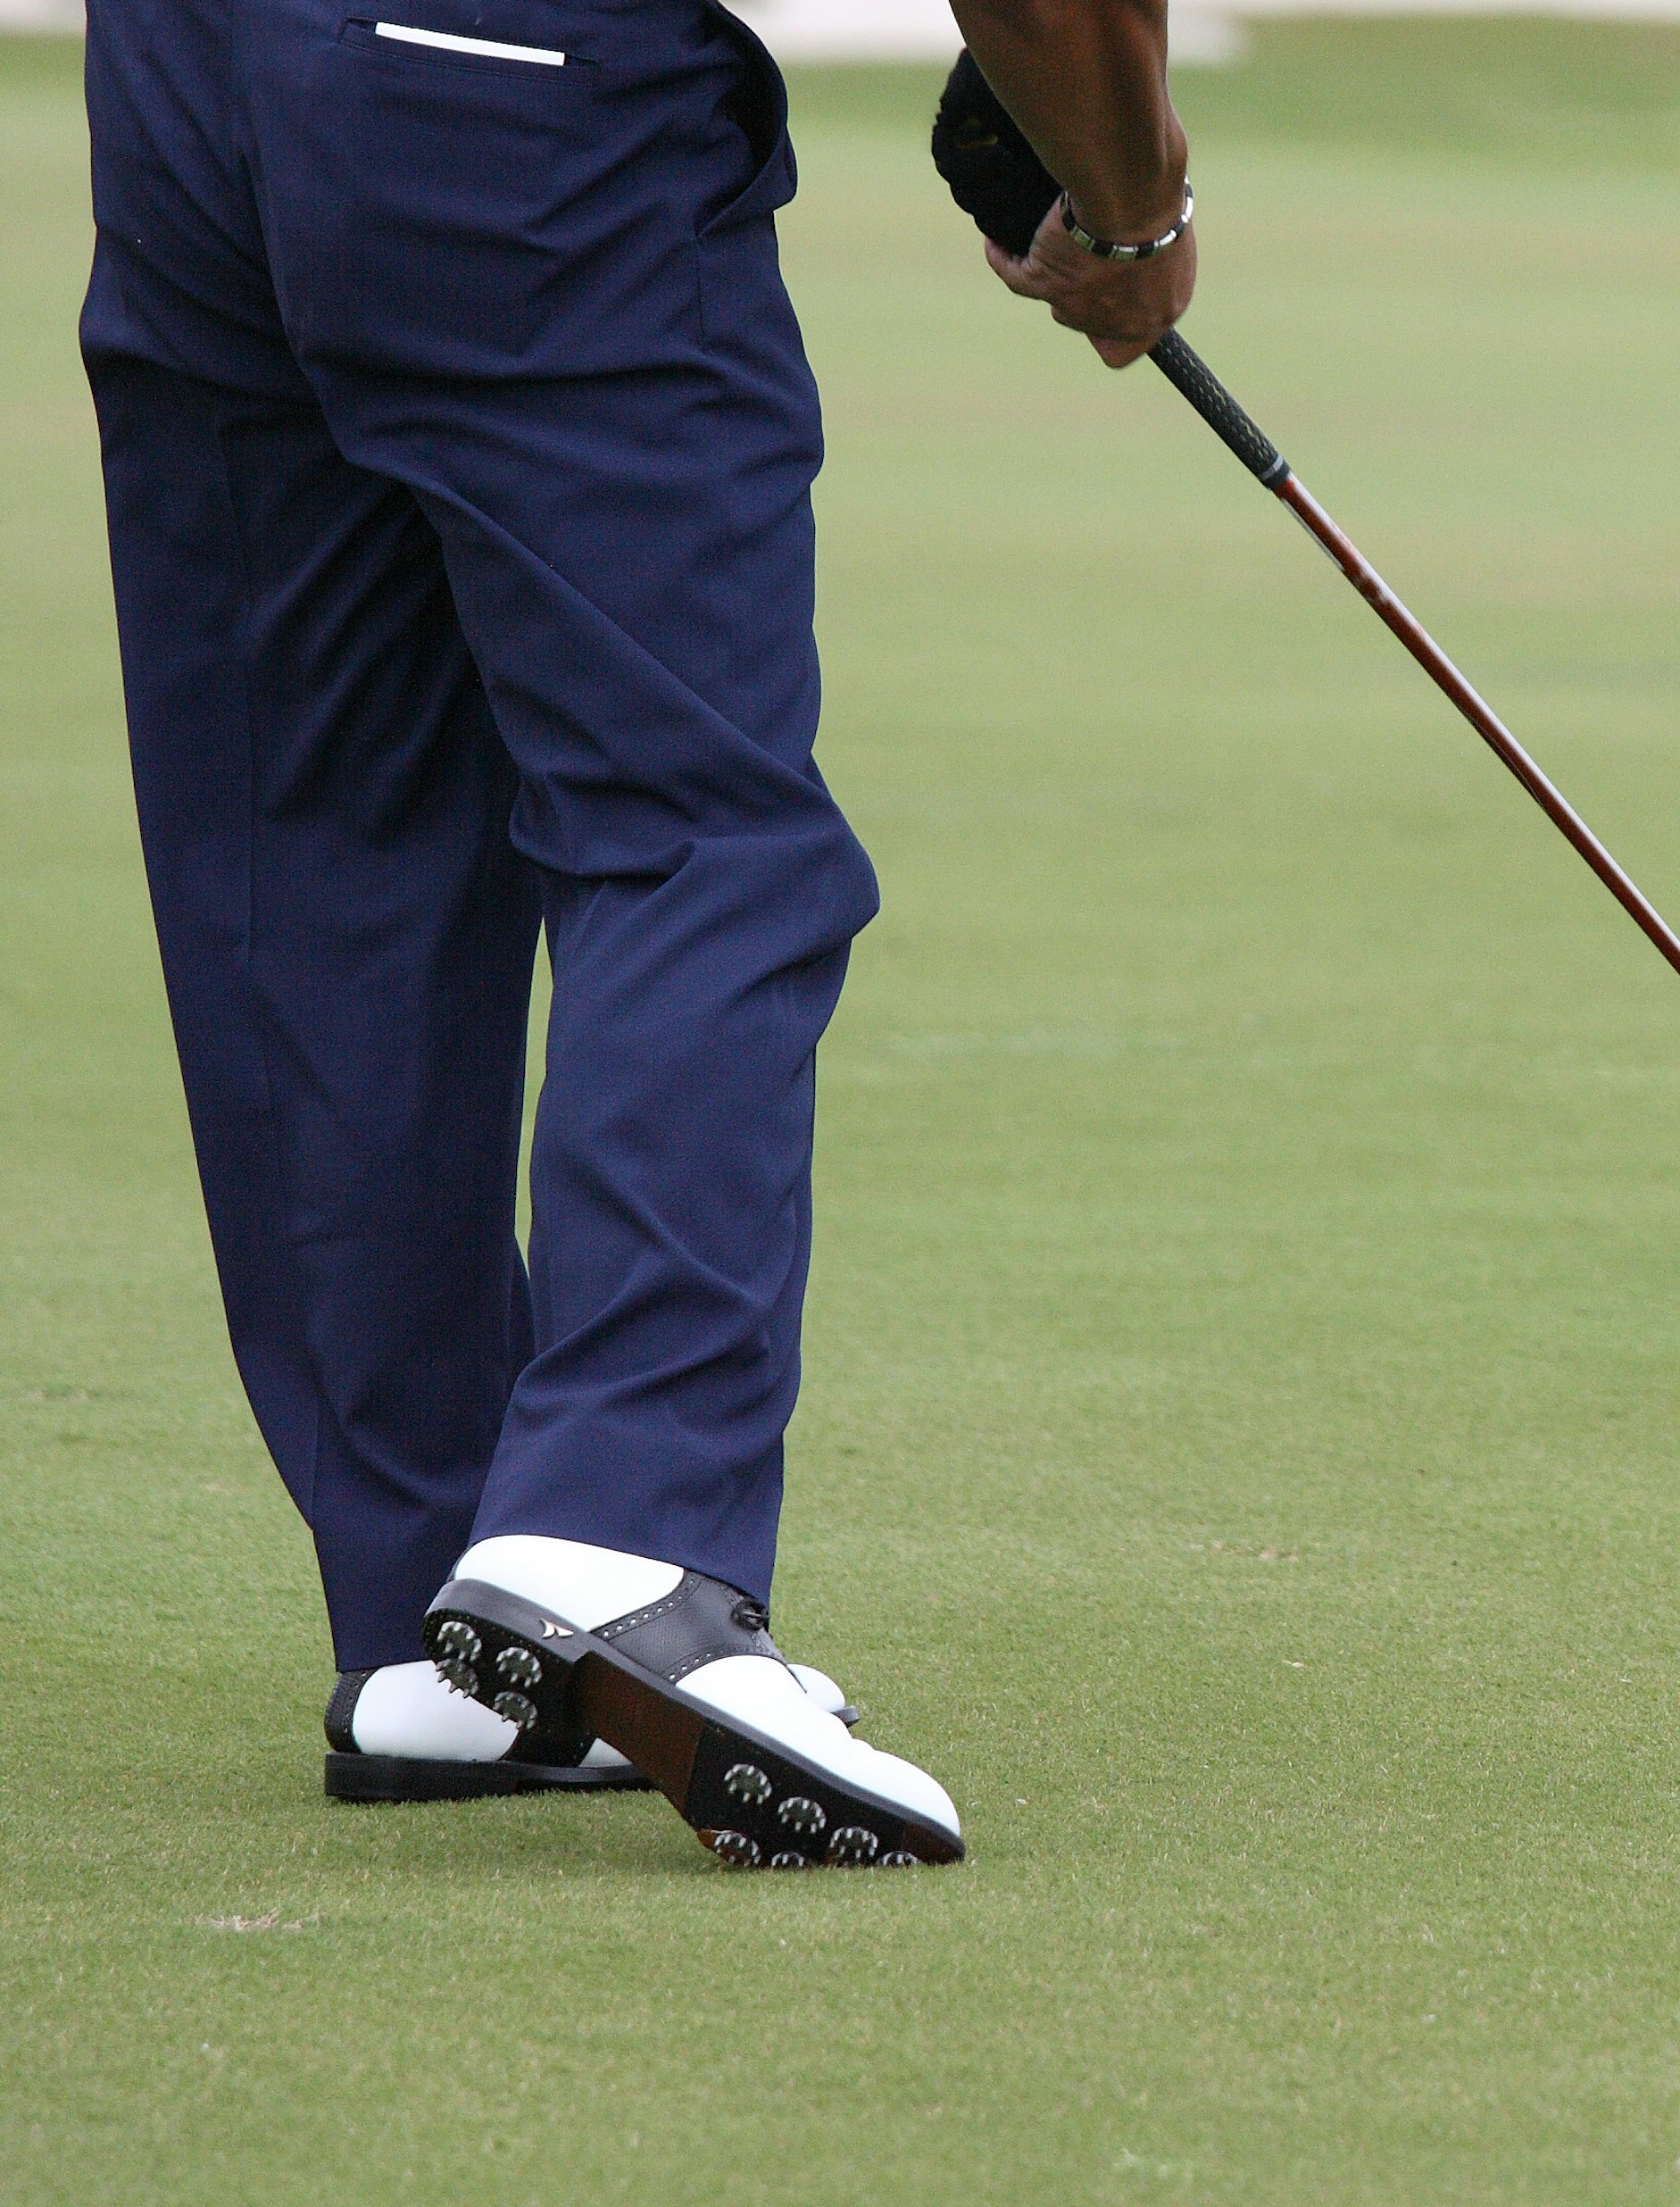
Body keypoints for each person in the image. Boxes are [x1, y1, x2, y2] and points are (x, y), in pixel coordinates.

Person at [79, 0, 1193, 1867]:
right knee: (702, 832)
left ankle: (445, 1619)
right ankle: (621, 1531)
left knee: (315, 837)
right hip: (512, 85)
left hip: (186, 75)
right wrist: (1129, 204)